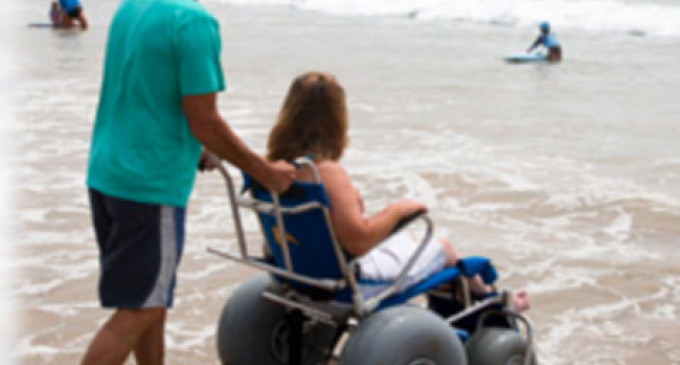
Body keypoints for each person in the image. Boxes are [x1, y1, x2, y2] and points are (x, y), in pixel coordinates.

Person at [81, 0, 296, 364]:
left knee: (149, 302)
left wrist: (193, 146)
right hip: (148, 184)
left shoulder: (131, 7)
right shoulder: (193, 22)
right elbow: (205, 121)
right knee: (141, 311)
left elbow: (147, 93)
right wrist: (266, 173)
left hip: (107, 172)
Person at [266, 71, 530, 311]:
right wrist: (399, 210)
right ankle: (490, 301)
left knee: (411, 243)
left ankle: (468, 297)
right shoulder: (326, 173)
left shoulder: (271, 168)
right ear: (337, 120)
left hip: (296, 272)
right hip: (342, 286)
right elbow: (357, 241)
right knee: (443, 249)